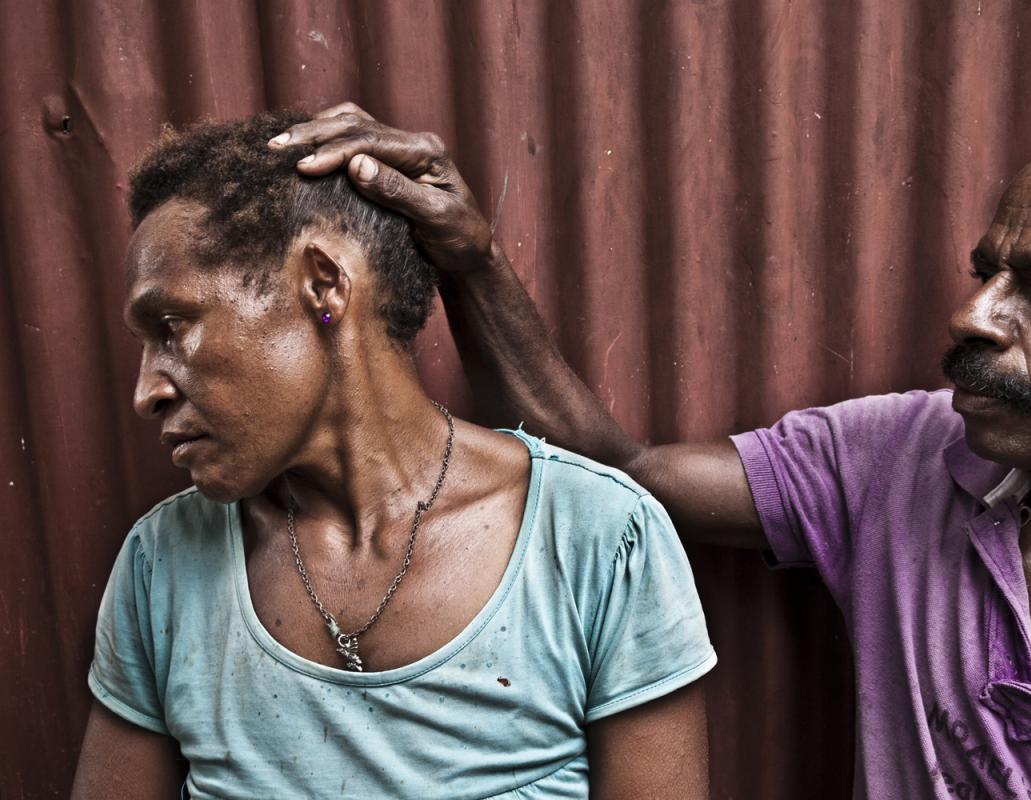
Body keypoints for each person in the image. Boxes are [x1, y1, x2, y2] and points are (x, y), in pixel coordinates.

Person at [282, 103, 1031, 798]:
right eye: (987, 273)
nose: (975, 316)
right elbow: (616, 478)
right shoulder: (906, 458)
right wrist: (469, 259)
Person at [71, 111, 716, 800]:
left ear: (323, 284)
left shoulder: (597, 539)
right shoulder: (163, 566)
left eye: (172, 327)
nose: (147, 392)